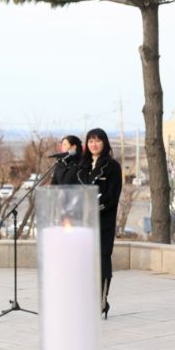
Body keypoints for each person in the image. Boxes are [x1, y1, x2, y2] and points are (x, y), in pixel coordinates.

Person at [76, 128, 122, 319]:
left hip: (103, 222)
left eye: (97, 140)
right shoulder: (82, 167)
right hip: (84, 223)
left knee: (102, 261)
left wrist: (94, 207)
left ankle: (101, 302)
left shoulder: (112, 166)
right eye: (90, 141)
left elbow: (112, 196)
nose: (94, 144)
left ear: (105, 143)